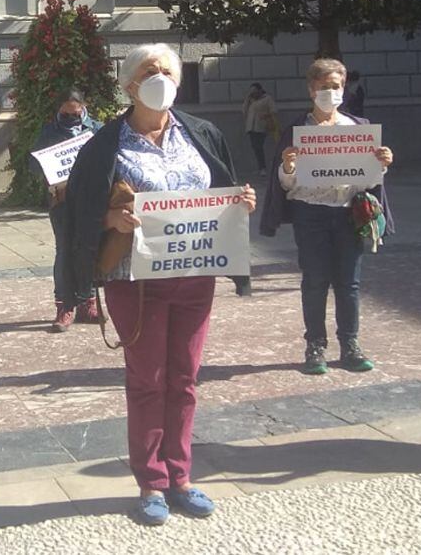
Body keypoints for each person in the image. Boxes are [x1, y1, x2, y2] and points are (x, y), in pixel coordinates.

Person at [68, 43, 256, 526]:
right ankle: (150, 481)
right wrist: (110, 217)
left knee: (185, 379)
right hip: (137, 281)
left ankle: (182, 475)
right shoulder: (105, 145)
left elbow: (220, 187)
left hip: (195, 274)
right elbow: (75, 213)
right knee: (148, 381)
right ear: (130, 85)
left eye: (169, 71)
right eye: (151, 72)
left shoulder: (202, 133)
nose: (162, 78)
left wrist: (240, 202)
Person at [259, 58, 394, 376]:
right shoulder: (298, 131)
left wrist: (382, 163)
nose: (329, 93)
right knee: (315, 282)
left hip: (349, 213)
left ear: (343, 88)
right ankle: (315, 346)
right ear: (311, 89)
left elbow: (369, 180)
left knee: (349, 283)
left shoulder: (358, 128)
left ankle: (350, 344)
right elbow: (285, 184)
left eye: (335, 87)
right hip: (311, 215)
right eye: (323, 87)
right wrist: (289, 166)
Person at [29, 88, 102, 332]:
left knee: (88, 250)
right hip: (60, 201)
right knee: (64, 250)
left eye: (75, 112)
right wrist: (49, 171)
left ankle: (87, 302)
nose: (71, 117)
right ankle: (64, 306)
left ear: (84, 106)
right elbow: (34, 164)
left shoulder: (96, 129)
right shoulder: (49, 131)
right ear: (59, 109)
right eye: (66, 112)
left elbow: (108, 161)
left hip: (89, 201)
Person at [241, 82, 278, 176]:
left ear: (260, 90)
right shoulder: (251, 100)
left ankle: (263, 168)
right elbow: (244, 111)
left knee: (259, 146)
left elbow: (274, 110)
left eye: (255, 91)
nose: (253, 93)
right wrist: (247, 99)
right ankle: (261, 167)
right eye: (251, 91)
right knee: (255, 147)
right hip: (251, 127)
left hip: (262, 126)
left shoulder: (267, 99)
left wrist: (266, 115)